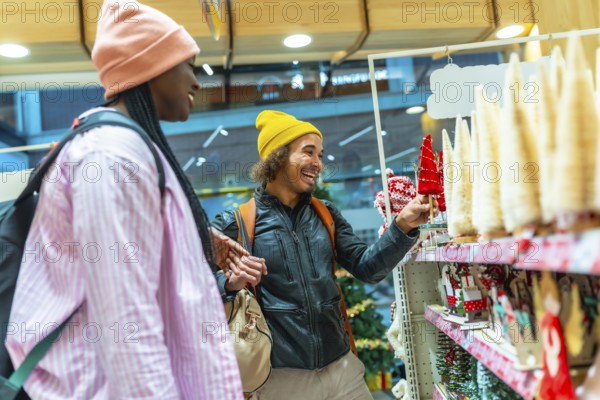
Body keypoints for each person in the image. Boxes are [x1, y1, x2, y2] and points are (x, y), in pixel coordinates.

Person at [6, 1, 244, 399]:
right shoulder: (111, 156)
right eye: (189, 64)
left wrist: (187, 243)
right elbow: (125, 321)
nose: (197, 82)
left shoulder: (123, 147)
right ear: (154, 66)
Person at [212, 110, 436, 399]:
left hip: (343, 369)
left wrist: (402, 225)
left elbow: (367, 267)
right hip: (280, 380)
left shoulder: (326, 213)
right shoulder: (236, 222)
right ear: (277, 158)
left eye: (320, 154)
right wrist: (228, 284)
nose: (318, 164)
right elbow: (193, 285)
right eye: (309, 153)